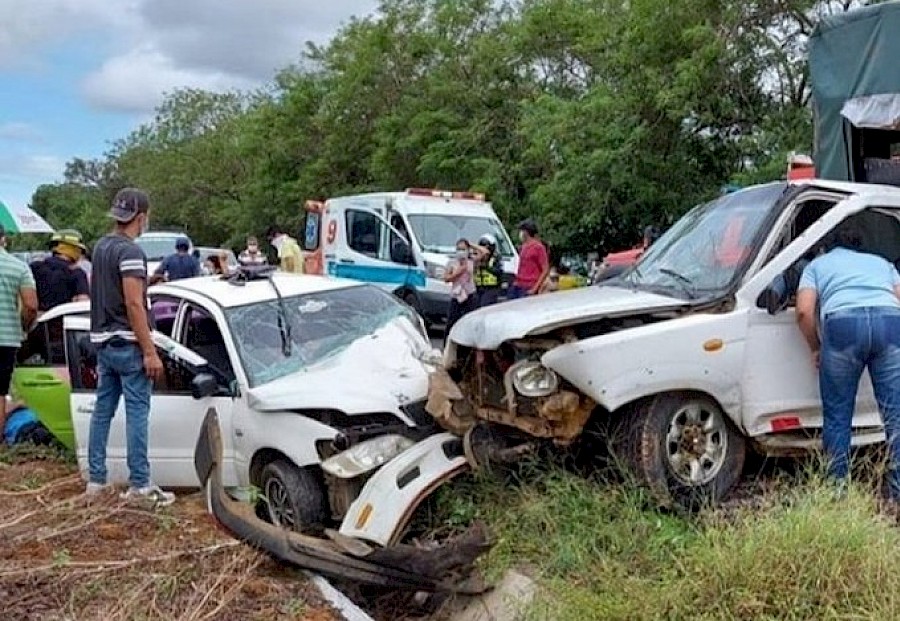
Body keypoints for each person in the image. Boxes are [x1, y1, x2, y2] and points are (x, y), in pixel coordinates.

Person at [796, 228, 900, 500]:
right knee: (896, 415)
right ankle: (898, 491)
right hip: (889, 323)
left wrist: (815, 346)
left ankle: (838, 491)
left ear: (827, 248)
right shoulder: (881, 263)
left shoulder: (816, 266)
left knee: (838, 415)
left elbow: (804, 311)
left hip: (843, 327)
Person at [87, 188, 173, 506]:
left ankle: (96, 480)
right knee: (138, 412)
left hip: (104, 343)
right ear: (141, 218)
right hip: (128, 342)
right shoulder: (131, 252)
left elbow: (113, 289)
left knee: (102, 411)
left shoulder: (101, 247)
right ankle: (140, 484)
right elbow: (134, 304)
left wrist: (148, 283)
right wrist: (150, 351)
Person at [0, 226, 38, 441]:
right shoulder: (18, 267)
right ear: (3, 239)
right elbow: (31, 306)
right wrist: (24, 325)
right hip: (6, 338)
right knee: (0, 391)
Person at [30, 230, 90, 312]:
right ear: (75, 249)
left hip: (38, 320)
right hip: (65, 321)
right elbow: (83, 303)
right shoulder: (76, 273)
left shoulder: (34, 267)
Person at [509, 219, 549, 299]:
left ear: (526, 232)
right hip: (518, 285)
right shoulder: (524, 247)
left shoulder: (538, 247)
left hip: (529, 286)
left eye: (521, 231)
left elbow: (545, 269)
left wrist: (535, 289)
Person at [444, 239, 477, 336]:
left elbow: (484, 253)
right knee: (452, 322)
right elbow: (446, 278)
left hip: (470, 294)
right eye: (459, 249)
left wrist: (472, 245)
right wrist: (459, 272)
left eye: (463, 249)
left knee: (470, 321)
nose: (461, 252)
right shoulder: (452, 262)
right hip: (456, 295)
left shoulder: (472, 261)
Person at [471, 234, 504, 307]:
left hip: (491, 288)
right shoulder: (477, 257)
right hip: (478, 288)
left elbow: (499, 272)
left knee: (485, 306)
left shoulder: (496, 258)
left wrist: (486, 267)